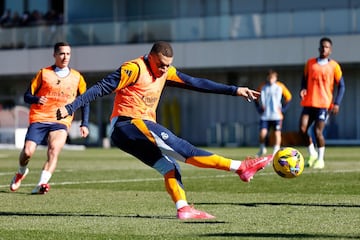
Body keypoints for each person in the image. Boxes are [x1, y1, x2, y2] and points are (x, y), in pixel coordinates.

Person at [57, 41, 273, 220]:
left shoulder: (166, 72)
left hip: (131, 131)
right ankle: (241, 167)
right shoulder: (133, 69)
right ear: (150, 56)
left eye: (167, 65)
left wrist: (235, 90)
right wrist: (70, 107)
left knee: (170, 167)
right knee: (184, 148)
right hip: (128, 123)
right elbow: (100, 88)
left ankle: (183, 209)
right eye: (160, 65)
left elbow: (196, 83)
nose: (164, 70)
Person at [10, 42, 90, 194]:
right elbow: (27, 96)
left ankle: (41, 184)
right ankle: (21, 172)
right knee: (27, 152)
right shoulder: (44, 73)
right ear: (54, 55)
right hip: (39, 118)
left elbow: (85, 101)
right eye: (61, 53)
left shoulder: (77, 77)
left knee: (54, 150)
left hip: (61, 121)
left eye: (68, 54)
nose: (65, 57)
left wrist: (84, 123)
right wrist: (36, 99)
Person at [299, 37, 345, 169]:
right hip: (309, 103)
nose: (324, 49)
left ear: (330, 50)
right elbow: (304, 80)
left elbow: (342, 86)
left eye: (327, 47)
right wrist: (303, 89)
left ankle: (320, 159)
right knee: (302, 130)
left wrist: (337, 103)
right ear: (319, 48)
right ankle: (312, 153)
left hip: (324, 105)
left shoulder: (334, 66)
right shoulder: (310, 63)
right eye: (322, 46)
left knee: (317, 131)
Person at [255, 69, 292, 157]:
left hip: (276, 115)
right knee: (262, 134)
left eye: (273, 77)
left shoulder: (280, 86)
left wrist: (283, 109)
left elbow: (289, 97)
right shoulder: (262, 86)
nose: (271, 79)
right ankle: (262, 148)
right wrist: (259, 108)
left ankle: (276, 150)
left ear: (276, 78)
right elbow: (255, 97)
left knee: (277, 133)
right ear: (267, 78)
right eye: (269, 77)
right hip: (265, 115)